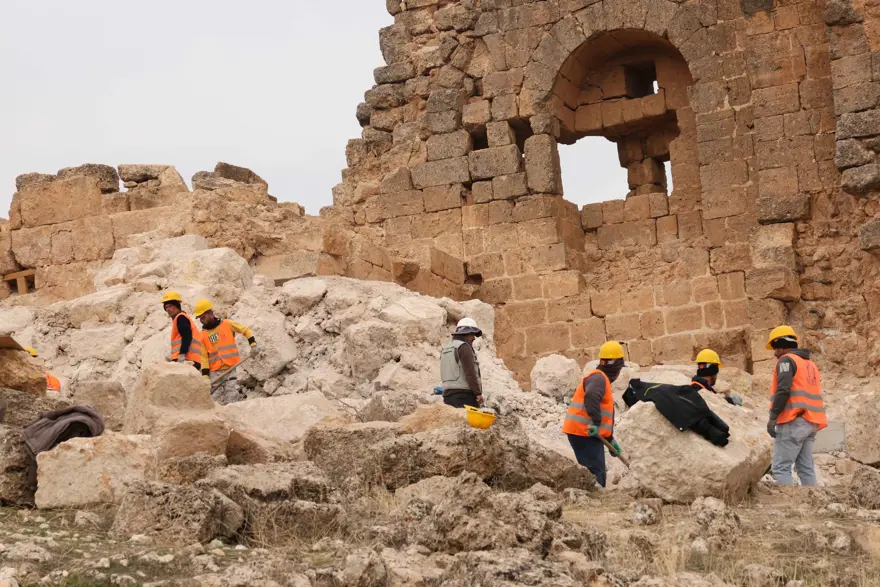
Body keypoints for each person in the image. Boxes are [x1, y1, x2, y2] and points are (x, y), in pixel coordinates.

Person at [765, 325, 827, 486]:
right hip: (811, 421)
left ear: (781, 344)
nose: (774, 353)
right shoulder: (810, 364)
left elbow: (783, 390)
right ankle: (814, 505)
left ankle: (788, 507)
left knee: (781, 467)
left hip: (793, 420)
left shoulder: (786, 360)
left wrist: (773, 417)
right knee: (806, 467)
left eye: (774, 347)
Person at [562, 341, 625, 488]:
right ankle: (595, 499)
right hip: (584, 432)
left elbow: (602, 412)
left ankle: (591, 495)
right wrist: (596, 424)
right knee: (596, 470)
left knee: (594, 468)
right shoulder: (599, 378)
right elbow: (590, 397)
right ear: (615, 367)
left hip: (586, 432)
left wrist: (610, 440)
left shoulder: (599, 378)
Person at [194, 299, 258, 405]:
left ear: (210, 313)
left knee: (232, 394)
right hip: (214, 372)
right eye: (200, 318)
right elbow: (204, 357)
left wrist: (253, 345)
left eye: (203, 317)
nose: (202, 320)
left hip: (230, 368)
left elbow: (246, 330)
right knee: (215, 398)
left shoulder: (227, 324)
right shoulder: (202, 336)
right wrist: (205, 376)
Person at [440, 318, 484, 409]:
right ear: (467, 333)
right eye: (472, 334)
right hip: (464, 397)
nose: (474, 338)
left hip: (447, 396)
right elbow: (470, 373)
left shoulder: (446, 348)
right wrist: (478, 393)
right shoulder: (464, 347)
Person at [162, 291, 202, 371]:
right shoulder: (182, 318)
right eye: (166, 307)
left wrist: (182, 354)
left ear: (177, 306)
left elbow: (187, 336)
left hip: (187, 359)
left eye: (170, 306)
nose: (168, 309)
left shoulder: (181, 318)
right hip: (192, 359)